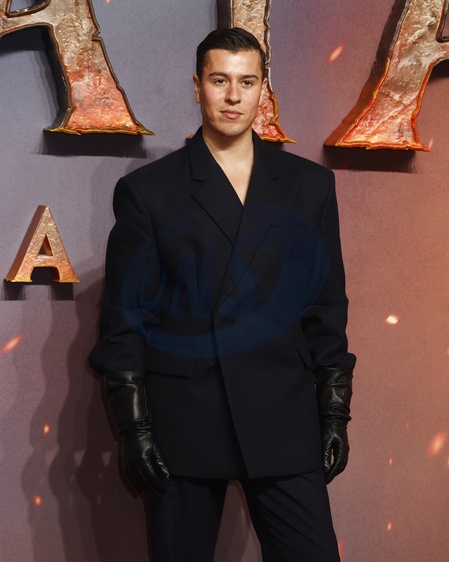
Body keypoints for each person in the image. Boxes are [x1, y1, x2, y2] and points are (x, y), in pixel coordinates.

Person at [90, 27, 356, 562]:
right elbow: (124, 321)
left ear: (263, 90)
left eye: (247, 82)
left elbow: (325, 308)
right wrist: (133, 426)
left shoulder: (309, 186)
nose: (233, 96)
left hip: (283, 417)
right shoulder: (148, 191)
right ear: (197, 87)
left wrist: (334, 412)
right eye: (219, 80)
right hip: (183, 422)